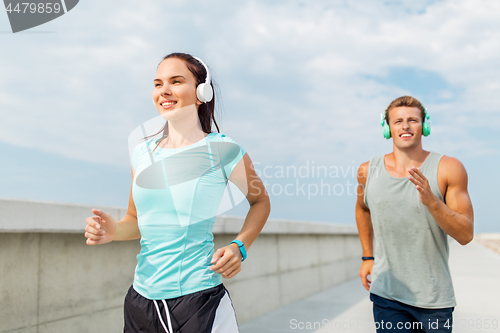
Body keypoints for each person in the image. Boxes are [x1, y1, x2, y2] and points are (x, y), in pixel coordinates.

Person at [84, 52, 270, 333]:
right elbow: (135, 220)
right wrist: (112, 231)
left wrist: (239, 246)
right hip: (140, 303)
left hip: (198, 303)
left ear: (201, 93)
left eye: (176, 81)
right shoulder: (142, 153)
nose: (164, 91)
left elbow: (260, 202)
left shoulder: (224, 150)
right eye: (158, 84)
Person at [355, 96, 474, 333]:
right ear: (387, 127)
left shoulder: (449, 168)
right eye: (398, 121)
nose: (405, 126)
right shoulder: (367, 171)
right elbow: (362, 208)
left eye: (413, 120)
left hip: (434, 298)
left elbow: (466, 234)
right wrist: (367, 257)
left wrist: (432, 202)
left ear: (425, 126)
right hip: (387, 292)